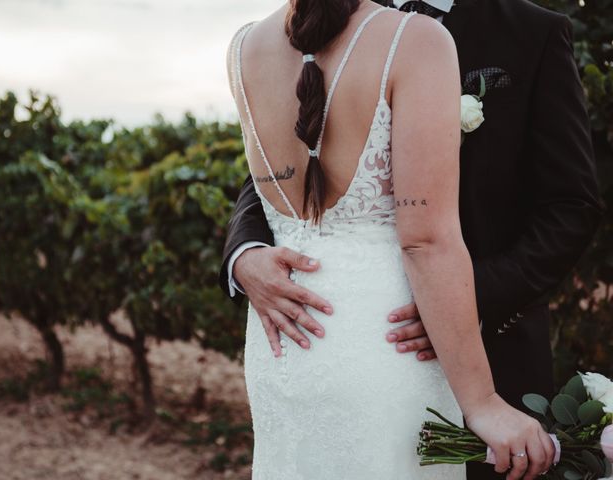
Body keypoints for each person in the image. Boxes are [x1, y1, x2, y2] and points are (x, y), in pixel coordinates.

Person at [221, 0, 604, 478]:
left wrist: (465, 303)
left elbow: (571, 205)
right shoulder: (410, 38)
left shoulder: (246, 43)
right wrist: (244, 253)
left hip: (304, 344)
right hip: (389, 348)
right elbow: (421, 238)